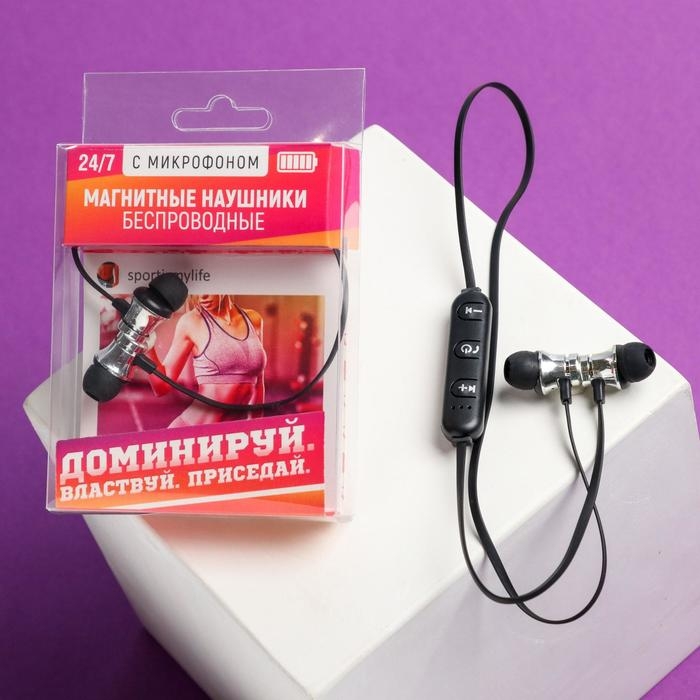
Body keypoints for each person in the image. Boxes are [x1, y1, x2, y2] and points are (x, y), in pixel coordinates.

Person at [148, 294, 266, 427]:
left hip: (228, 434)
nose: (202, 296)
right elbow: (161, 388)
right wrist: (147, 346)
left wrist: (255, 429)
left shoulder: (253, 319)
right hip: (193, 431)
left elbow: (258, 382)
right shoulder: (191, 321)